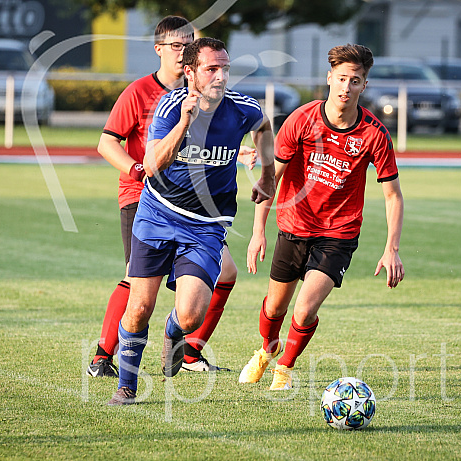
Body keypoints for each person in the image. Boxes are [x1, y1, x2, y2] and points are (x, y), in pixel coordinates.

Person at [108, 37, 276, 405]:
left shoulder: (242, 108)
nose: (221, 76)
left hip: (207, 225)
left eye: (225, 68)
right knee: (138, 307)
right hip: (157, 215)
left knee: (190, 315)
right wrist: (185, 121)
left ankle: (173, 333)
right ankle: (127, 385)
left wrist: (267, 174)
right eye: (211, 69)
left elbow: (263, 126)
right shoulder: (169, 107)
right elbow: (152, 165)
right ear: (190, 72)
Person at [239, 43, 405, 390]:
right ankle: (267, 351)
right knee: (274, 309)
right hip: (293, 226)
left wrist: (392, 248)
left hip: (338, 235)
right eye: (342, 78)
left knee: (304, 310)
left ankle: (284, 367)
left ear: (364, 85)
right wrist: (258, 231)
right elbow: (273, 178)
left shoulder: (374, 134)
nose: (347, 87)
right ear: (330, 78)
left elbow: (392, 194)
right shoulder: (302, 119)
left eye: (355, 80)